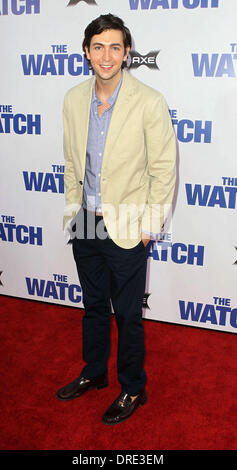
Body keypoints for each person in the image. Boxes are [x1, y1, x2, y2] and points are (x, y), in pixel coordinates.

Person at [56, 13, 176, 425]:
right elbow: (73, 163)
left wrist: (148, 229)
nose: (106, 55)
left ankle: (133, 387)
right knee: (92, 307)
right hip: (85, 221)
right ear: (86, 53)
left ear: (126, 53)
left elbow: (163, 170)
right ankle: (94, 373)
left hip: (127, 226)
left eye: (115, 47)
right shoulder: (73, 99)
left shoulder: (149, 101)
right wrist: (74, 211)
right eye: (98, 47)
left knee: (127, 314)